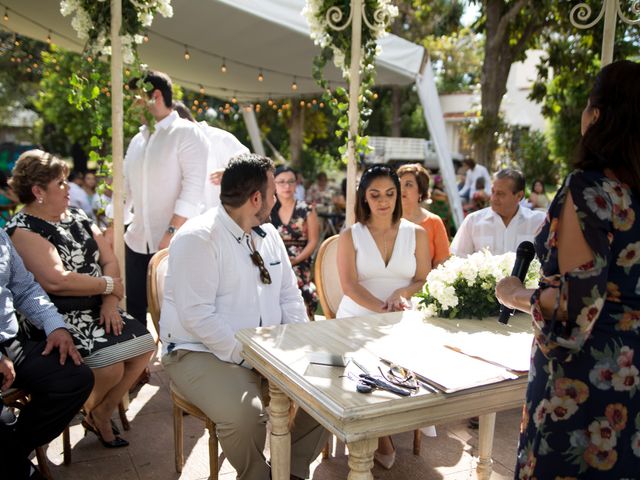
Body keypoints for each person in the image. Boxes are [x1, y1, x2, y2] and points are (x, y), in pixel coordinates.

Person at [495, 60, 640, 479]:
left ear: (596, 116)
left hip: (588, 386)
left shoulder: (590, 190)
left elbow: (576, 308)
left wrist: (514, 294)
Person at [160, 154, 329, 480]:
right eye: (272, 190)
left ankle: (290, 470)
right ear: (256, 199)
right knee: (244, 417)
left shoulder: (270, 235)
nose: (278, 196)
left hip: (267, 349)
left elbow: (289, 296)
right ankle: (258, 476)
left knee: (328, 386)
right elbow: (198, 317)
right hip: (197, 351)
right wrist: (256, 359)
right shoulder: (198, 238)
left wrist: (299, 343)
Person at [6, 150, 156, 449]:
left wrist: (111, 301)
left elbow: (110, 260)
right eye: (61, 182)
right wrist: (110, 286)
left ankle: (99, 411)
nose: (69, 188)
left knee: (144, 346)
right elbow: (57, 281)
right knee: (110, 365)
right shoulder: (21, 230)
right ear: (38, 191)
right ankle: (92, 412)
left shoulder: (76, 216)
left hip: (98, 307)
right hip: (57, 317)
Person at [336, 164, 431, 469]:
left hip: (401, 316)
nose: (383, 201)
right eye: (375, 194)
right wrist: (380, 308)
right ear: (364, 198)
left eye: (390, 193)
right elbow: (349, 286)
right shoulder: (350, 235)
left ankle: (384, 426)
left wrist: (401, 295)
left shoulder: (417, 233)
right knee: (365, 363)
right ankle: (380, 433)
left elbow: (423, 279)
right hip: (356, 319)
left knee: (420, 356)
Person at [0, 228, 93, 479]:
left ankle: (13, 449)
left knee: (75, 378)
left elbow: (25, 289)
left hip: (11, 342)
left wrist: (55, 325)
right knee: (3, 417)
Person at [124, 71, 209, 326]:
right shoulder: (137, 141)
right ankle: (138, 365)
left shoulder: (187, 133)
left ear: (156, 96)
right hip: (137, 240)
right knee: (134, 311)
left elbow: (192, 189)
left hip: (176, 241)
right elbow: (128, 189)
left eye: (136, 99)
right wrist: (114, 222)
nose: (132, 106)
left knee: (173, 312)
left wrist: (171, 232)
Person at [450, 168, 546, 256]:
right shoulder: (473, 221)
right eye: (493, 192)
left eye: (500, 194)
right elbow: (458, 260)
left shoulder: (539, 222)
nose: (493, 198)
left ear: (519, 196)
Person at [173, 101, 249, 211]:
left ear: (184, 122)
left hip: (223, 220)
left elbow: (250, 167)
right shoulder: (174, 147)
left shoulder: (219, 138)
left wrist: (231, 173)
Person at [270, 166, 320, 318]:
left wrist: (296, 260)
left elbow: (313, 241)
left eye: (291, 182)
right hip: (274, 261)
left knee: (294, 285)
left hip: (299, 261)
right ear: (273, 184)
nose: (287, 186)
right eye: (282, 182)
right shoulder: (268, 209)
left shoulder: (306, 209)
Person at [397, 163, 450, 267]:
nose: (401, 189)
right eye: (399, 184)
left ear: (420, 191)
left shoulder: (434, 222)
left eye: (408, 184)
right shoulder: (386, 220)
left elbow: (442, 261)